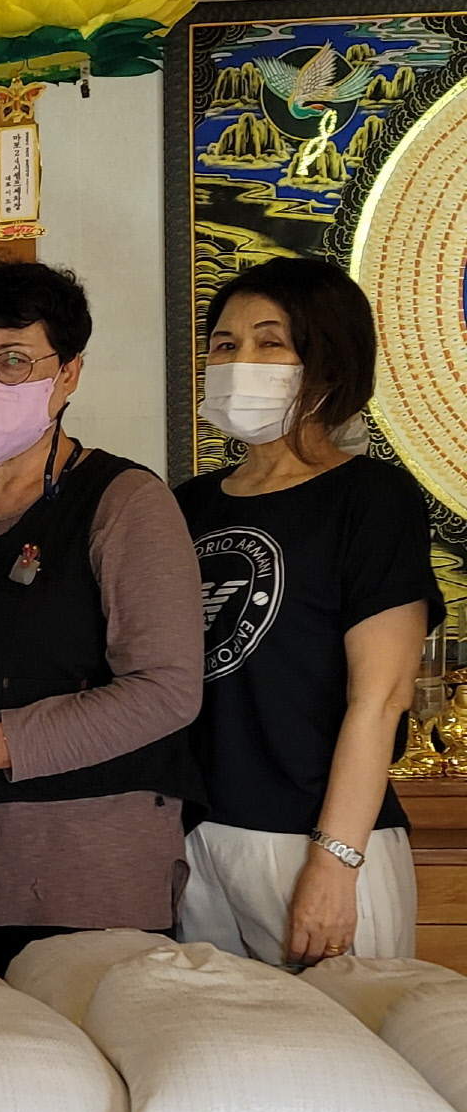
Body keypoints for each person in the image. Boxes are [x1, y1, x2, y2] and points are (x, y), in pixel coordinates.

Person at [0, 260, 205, 973]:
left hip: (90, 860)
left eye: (13, 361)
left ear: (69, 374)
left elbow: (168, 689)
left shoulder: (123, 503)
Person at [176, 259, 436, 966]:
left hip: (315, 839)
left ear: (328, 359)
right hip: (197, 837)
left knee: (349, 1059)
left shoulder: (372, 499)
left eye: (270, 342)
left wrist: (334, 863)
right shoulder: (187, 505)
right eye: (224, 345)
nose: (241, 361)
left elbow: (380, 699)